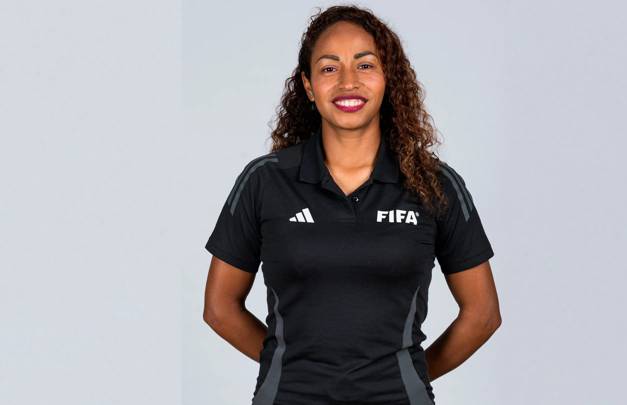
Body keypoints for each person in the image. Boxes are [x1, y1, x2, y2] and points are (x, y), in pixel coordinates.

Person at [202, 5, 501, 405]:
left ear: (387, 78)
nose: (347, 82)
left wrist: (407, 374)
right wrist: (286, 367)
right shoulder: (265, 181)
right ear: (308, 86)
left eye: (365, 65)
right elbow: (219, 308)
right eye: (329, 68)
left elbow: (482, 313)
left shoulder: (434, 183)